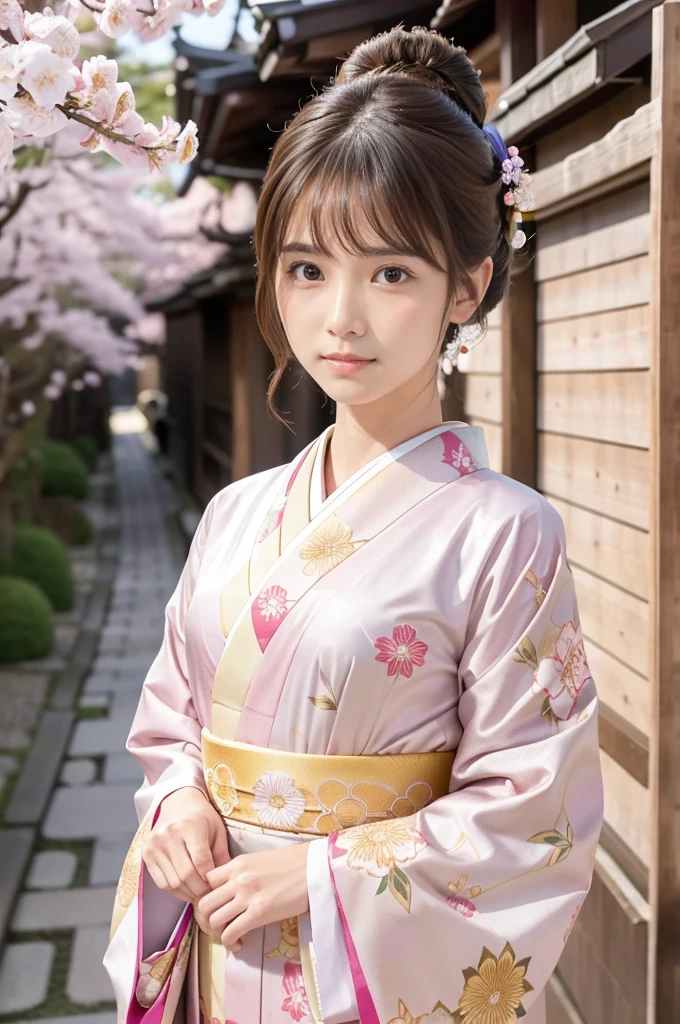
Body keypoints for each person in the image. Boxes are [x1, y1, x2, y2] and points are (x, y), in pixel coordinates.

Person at [104, 25, 603, 1024]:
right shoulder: (238, 513)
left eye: (388, 274)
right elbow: (172, 723)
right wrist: (180, 807)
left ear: (463, 287)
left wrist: (321, 876)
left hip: (369, 975)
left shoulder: (503, 533)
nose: (339, 318)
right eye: (304, 269)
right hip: (216, 947)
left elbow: (532, 806)